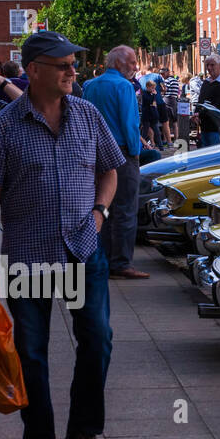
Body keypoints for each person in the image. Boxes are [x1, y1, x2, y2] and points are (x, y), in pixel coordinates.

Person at [0, 30, 125, 439]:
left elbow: (110, 170)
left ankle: (84, 432)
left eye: (72, 63)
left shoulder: (87, 115)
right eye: (62, 64)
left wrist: (100, 213)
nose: (71, 70)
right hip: (29, 255)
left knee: (98, 340)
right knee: (31, 350)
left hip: (84, 248)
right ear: (34, 71)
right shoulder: (3, 129)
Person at [78, 43, 148, 280]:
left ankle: (102, 258)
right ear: (118, 63)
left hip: (95, 154)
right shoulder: (124, 86)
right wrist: (136, 151)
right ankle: (122, 263)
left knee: (101, 207)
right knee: (126, 209)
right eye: (131, 62)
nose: (135, 66)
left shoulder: (89, 85)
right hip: (121, 153)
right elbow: (130, 123)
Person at [141, 80, 162, 148]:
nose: (153, 89)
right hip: (146, 116)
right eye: (152, 88)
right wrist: (153, 95)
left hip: (153, 115)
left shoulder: (153, 94)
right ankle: (141, 145)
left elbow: (154, 104)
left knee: (157, 131)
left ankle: (160, 146)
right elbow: (149, 101)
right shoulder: (145, 94)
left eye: (154, 88)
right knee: (145, 131)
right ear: (147, 87)